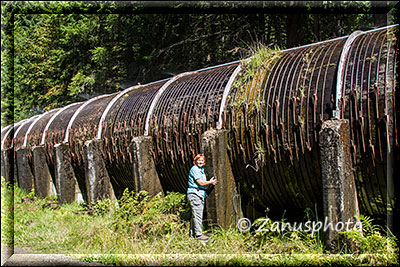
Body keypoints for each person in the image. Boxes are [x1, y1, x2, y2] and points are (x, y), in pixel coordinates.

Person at [187, 153, 217, 241]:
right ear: (195, 161)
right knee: (198, 215)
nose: (200, 162)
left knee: (195, 215)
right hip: (195, 194)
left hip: (199, 194)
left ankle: (193, 234)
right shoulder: (195, 169)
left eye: (202, 160)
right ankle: (199, 235)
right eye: (198, 160)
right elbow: (201, 183)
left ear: (204, 162)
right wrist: (210, 182)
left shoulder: (201, 170)